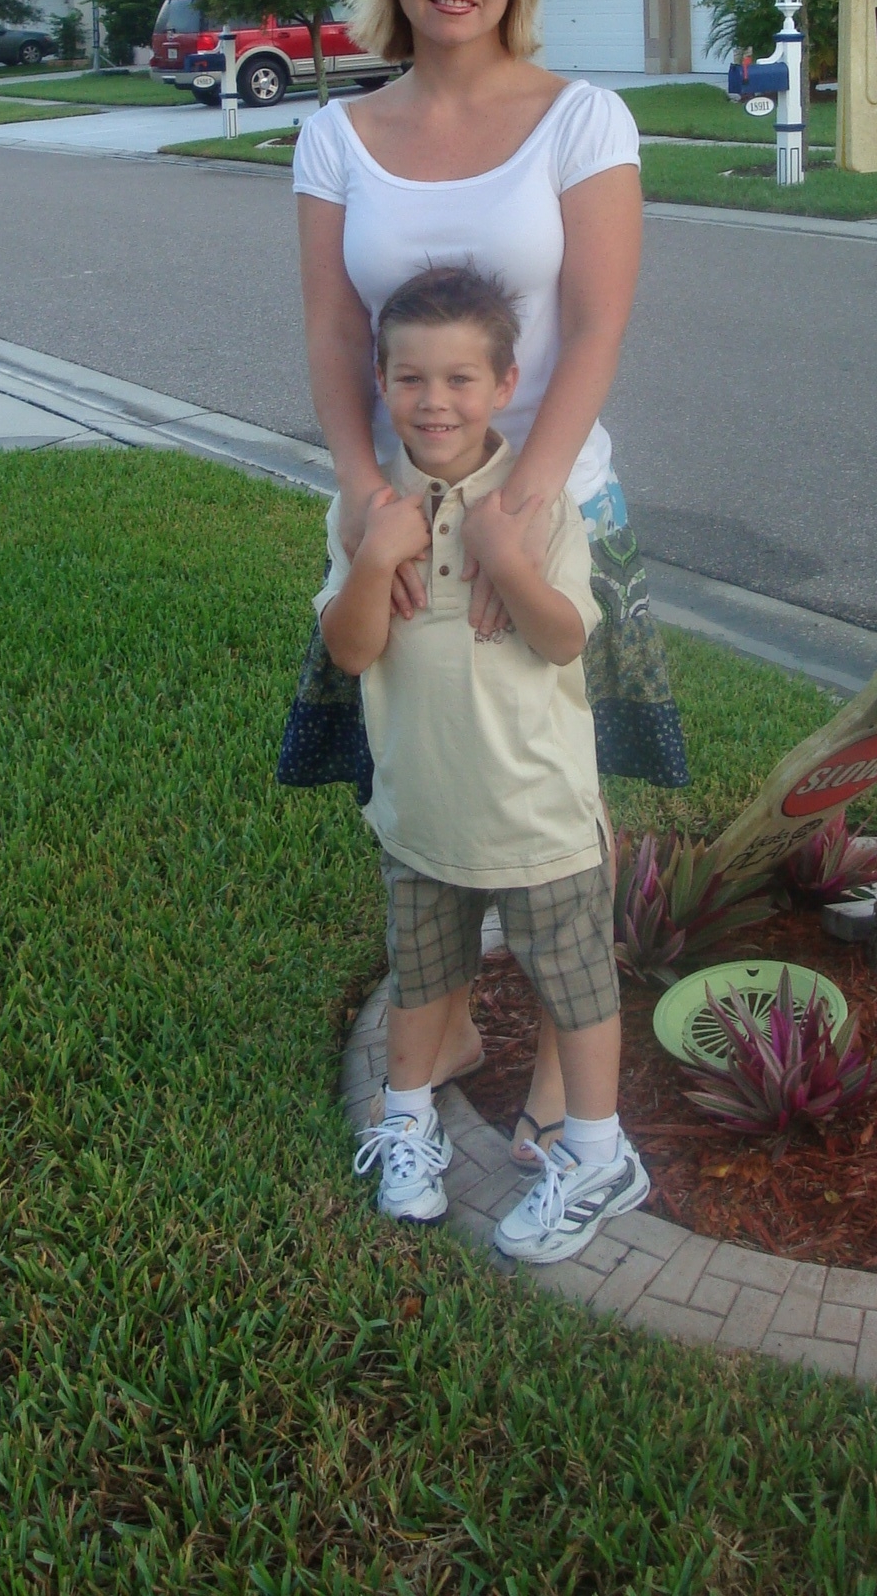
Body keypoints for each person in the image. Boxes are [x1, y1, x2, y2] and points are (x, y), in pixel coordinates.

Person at [283, 0, 687, 1158]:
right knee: (426, 767)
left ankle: (571, 1069)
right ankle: (446, 1024)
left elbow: (602, 322)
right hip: (402, 520)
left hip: (548, 511)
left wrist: (527, 505)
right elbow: (334, 332)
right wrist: (362, 495)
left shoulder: (582, 120)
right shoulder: (337, 136)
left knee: (564, 787)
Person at [325, 264, 647, 1258]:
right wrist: (376, 556)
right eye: (411, 378)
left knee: (575, 986)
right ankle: (408, 1125)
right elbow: (351, 650)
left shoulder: (536, 506)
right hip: (421, 808)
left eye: (461, 379)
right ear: (382, 381)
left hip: (537, 810)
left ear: (506, 385)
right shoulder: (367, 508)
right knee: (421, 979)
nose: (436, 402)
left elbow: (563, 638)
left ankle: (599, 1154)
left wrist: (504, 556)